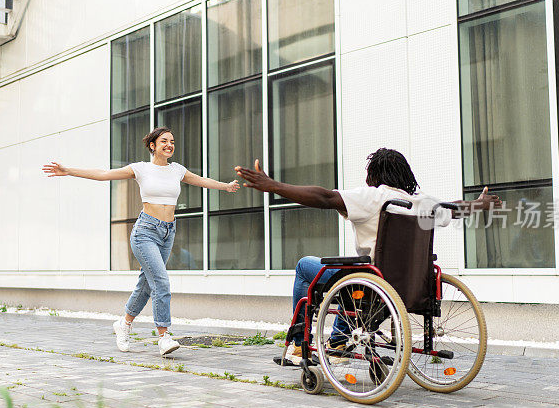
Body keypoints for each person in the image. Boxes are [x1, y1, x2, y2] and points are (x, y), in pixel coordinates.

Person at [235, 148, 501, 363]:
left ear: (375, 176)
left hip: (370, 285)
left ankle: (298, 346)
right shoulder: (423, 203)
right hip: (408, 288)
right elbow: (453, 209)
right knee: (351, 274)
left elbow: (325, 198)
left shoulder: (373, 197)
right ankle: (339, 340)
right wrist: (481, 204)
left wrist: (275, 186)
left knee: (308, 267)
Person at [44, 127, 239, 356]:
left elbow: (201, 181)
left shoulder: (177, 170)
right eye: (164, 141)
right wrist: (68, 171)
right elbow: (104, 174)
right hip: (145, 231)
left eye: (172, 141)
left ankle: (124, 324)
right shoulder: (141, 169)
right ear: (153, 146)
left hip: (168, 232)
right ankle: (164, 336)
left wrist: (225, 186)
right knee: (161, 282)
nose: (169, 144)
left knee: (147, 285)